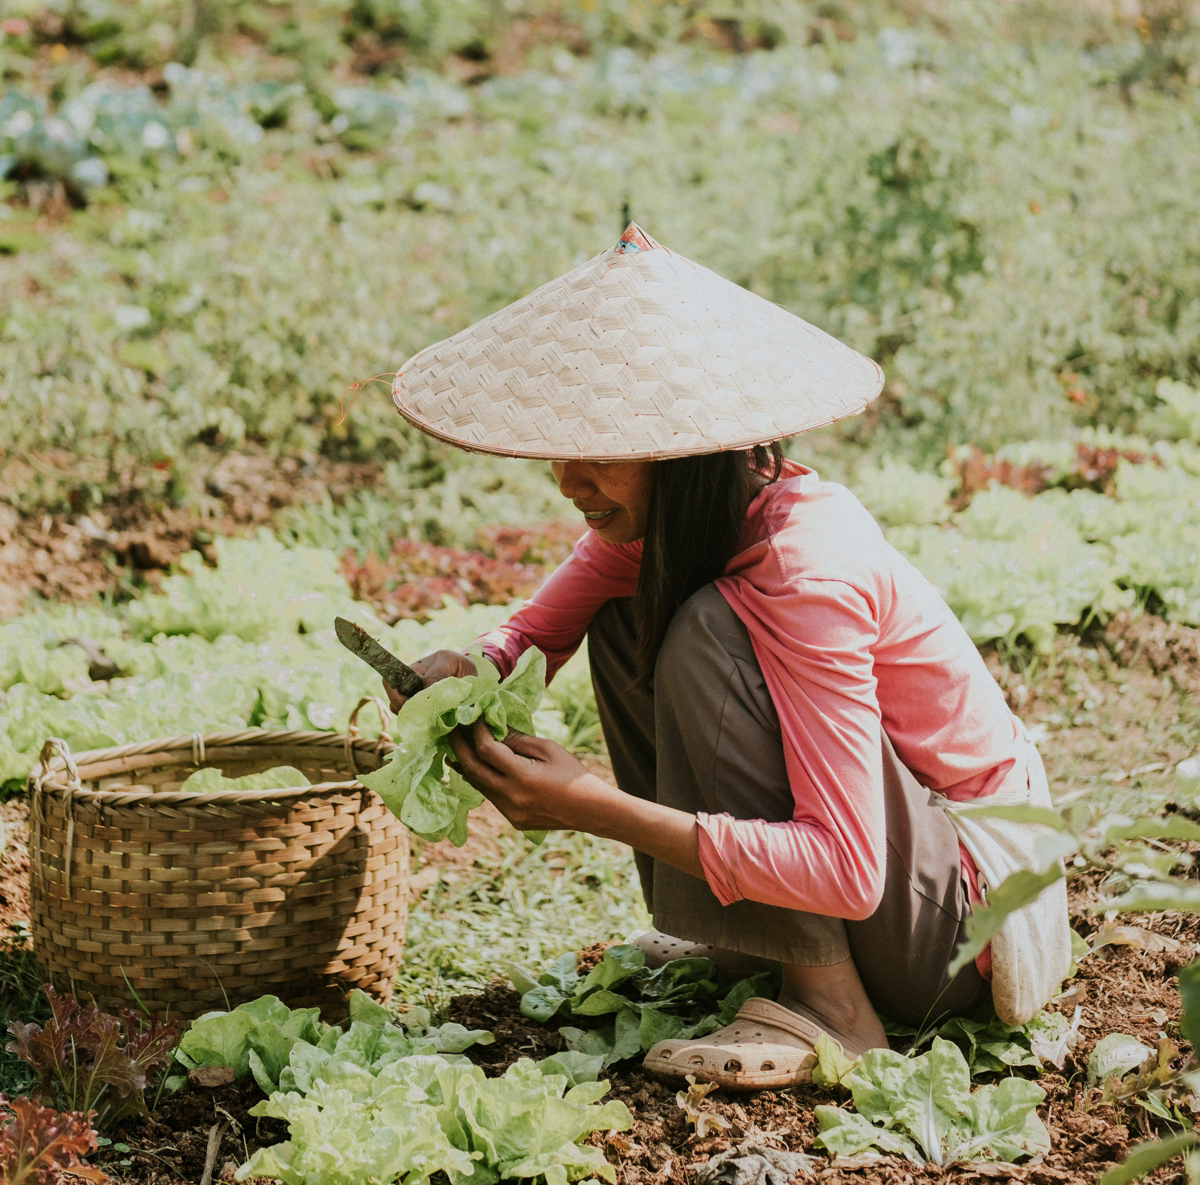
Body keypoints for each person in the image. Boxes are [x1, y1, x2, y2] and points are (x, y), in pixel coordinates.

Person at [386, 224, 1071, 1089]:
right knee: (630, 618)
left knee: (706, 629)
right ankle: (749, 939)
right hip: (912, 896)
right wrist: (471, 668)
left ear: (686, 459)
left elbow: (850, 871)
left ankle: (834, 1007)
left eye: (599, 455)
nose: (566, 480)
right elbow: (532, 634)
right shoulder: (687, 518)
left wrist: (594, 805)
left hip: (962, 929)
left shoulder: (803, 568)